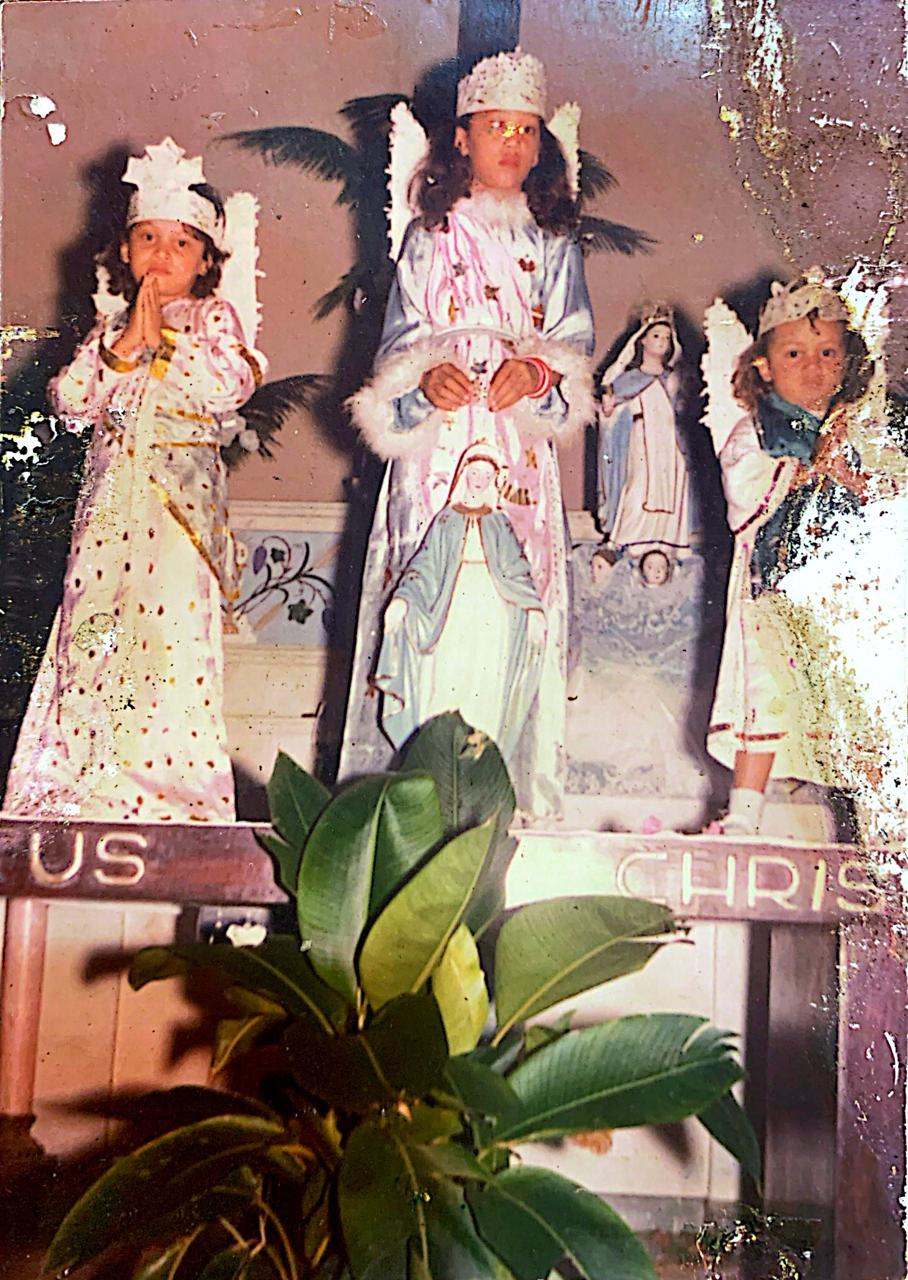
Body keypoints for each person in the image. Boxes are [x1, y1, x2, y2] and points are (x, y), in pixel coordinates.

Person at [343, 49, 595, 816]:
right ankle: (416, 775)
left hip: (516, 447)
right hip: (440, 446)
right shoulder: (431, 235)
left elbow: (573, 340)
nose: (511, 143)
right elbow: (399, 339)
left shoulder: (553, 242)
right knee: (433, 597)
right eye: (495, 127)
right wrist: (423, 380)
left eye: (525, 130)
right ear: (462, 138)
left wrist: (540, 374)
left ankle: (498, 783)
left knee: (510, 604)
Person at [3, 138, 267, 822]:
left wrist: (165, 341)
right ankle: (82, 784)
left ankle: (175, 797)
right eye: (148, 237)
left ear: (206, 259)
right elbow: (69, 402)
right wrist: (123, 349)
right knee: (94, 631)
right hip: (109, 515)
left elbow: (230, 384)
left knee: (168, 639)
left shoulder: (211, 319)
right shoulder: (110, 329)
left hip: (177, 515)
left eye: (181, 242)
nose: (162, 253)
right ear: (124, 250)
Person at [705, 271, 901, 836]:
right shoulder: (759, 433)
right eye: (794, 353)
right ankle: (745, 813)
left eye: (827, 353)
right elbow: (744, 491)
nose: (813, 367)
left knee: (860, 699)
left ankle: (884, 821)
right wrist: (809, 465)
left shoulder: (861, 428)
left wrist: (857, 474)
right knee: (765, 692)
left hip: (849, 597)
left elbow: (892, 489)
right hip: (777, 593)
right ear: (764, 366)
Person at [374, 442, 545, 760]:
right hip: (452, 607)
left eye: (486, 475)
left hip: (492, 607)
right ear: (463, 475)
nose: (479, 480)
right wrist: (403, 600)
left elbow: (516, 569)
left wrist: (533, 608)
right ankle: (441, 754)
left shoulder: (499, 522)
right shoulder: (446, 520)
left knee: (486, 677)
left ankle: (480, 757)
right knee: (447, 673)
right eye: (474, 473)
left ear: (494, 480)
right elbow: (426, 565)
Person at [597, 305, 691, 562]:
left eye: (666, 337)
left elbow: (683, 411)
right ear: (642, 341)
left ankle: (669, 542)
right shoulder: (629, 379)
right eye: (656, 335)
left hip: (670, 442)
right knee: (637, 487)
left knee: (674, 487)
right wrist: (609, 407)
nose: (661, 341)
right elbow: (611, 414)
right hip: (642, 439)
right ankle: (629, 539)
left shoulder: (673, 379)